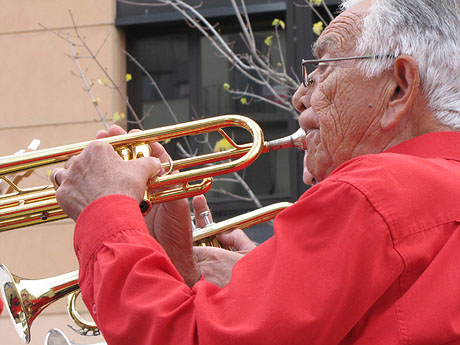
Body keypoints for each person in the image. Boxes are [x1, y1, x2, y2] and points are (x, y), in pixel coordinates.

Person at [50, 0, 460, 343]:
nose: (301, 97)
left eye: (323, 69)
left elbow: (186, 337)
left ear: (399, 86)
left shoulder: (375, 191)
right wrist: (232, 281)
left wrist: (104, 209)